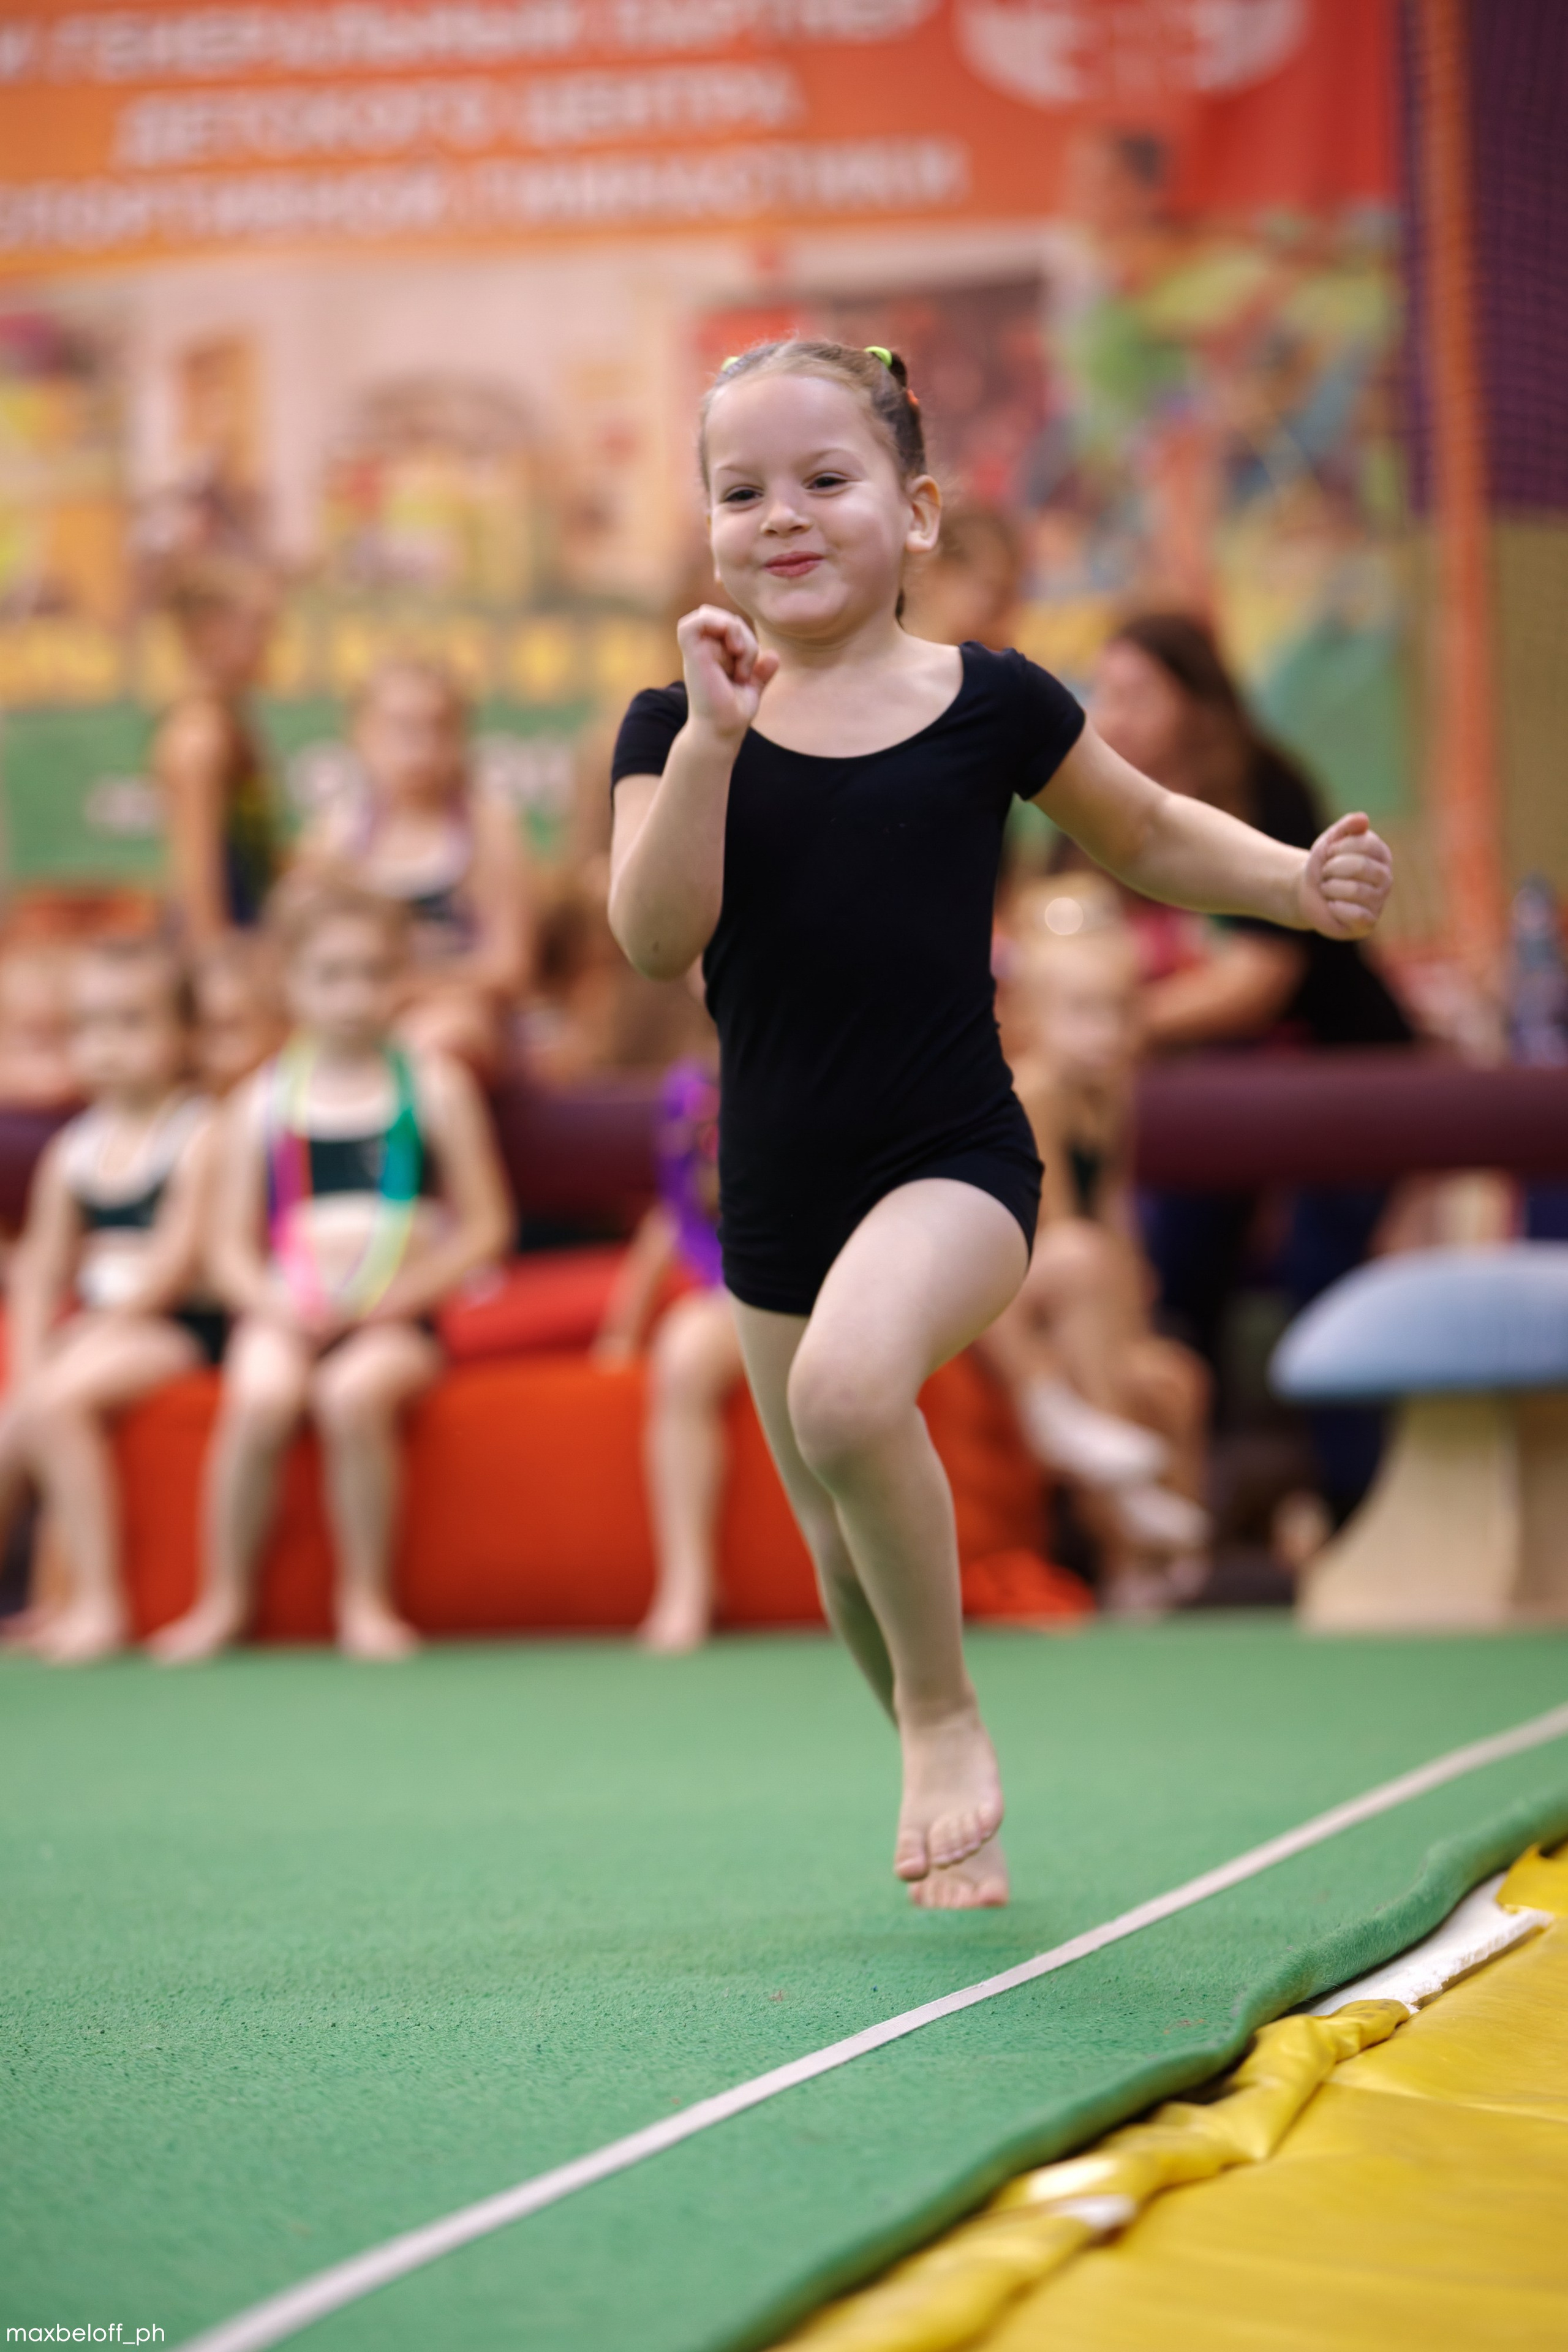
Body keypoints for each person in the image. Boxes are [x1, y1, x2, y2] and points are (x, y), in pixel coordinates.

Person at [607, 338, 1392, 1909]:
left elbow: (1149, 830)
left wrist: (1289, 883)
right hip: (770, 1185)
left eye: (822, 480)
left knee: (845, 1393)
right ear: (704, 530)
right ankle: (923, 1728)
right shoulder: (670, 725)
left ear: (913, 514)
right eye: (739, 489)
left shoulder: (988, 701)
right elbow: (649, 934)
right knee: (838, 1546)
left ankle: (948, 1715)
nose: (782, 515)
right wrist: (708, 739)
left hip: (951, 1158)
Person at [1089, 614, 1415, 1511]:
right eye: (1102, 694)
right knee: (1176, 1263)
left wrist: (1124, 1025)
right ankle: (1194, 1502)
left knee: (1326, 1272)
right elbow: (1057, 927)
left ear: (1197, 707)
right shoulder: (1091, 797)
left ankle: (1356, 1499)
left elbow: (1261, 976)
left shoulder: (1264, 786)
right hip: (1205, 1099)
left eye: (1134, 695)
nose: (1110, 716)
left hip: (1338, 1082)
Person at [151, 881, 512, 1664]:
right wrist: (271, 1306)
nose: (355, 996)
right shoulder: (262, 1099)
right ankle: (224, 1596)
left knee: (351, 1397)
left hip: (394, 1318)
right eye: (331, 976)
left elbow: (488, 1227)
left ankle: (366, 1597)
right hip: (290, 1309)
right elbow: (226, 1246)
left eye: (375, 974)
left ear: (404, 977)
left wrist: (401, 1296)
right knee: (263, 1397)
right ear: (289, 982)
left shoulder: (436, 1087)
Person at [982, 878, 1210, 1613]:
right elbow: (1049, 1224)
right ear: (1026, 1017)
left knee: (1173, 1378)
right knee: (1081, 1258)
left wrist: (1135, 1318)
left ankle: (1163, 1564)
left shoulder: (1112, 1094)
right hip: (1009, 1281)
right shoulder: (1035, 1087)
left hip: (1072, 1278)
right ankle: (1118, 1511)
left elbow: (1114, 1207)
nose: (1105, 1034)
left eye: (1118, 1012)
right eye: (1081, 1014)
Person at [0, 938, 220, 1662]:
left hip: (179, 1323)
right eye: (91, 1027)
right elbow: (40, 1268)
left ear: (184, 1036)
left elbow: (177, 1261)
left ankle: (101, 1602)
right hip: (101, 1329)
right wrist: (32, 1358)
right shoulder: (75, 1149)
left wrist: (93, 1337)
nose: (110, 1046)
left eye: (133, 1023)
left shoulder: (198, 1133)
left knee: (58, 1403)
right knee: (19, 1416)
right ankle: (37, 1597)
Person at [298, 657, 532, 1076]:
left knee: (432, 1042)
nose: (421, 748)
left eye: (439, 729)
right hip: (359, 1013)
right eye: (401, 729)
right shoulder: (332, 840)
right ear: (361, 733)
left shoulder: (488, 828)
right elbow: (302, 956)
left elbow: (510, 967)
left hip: (459, 1022)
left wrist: (413, 990)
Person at [594, 1057, 740, 1652]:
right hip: (739, 1285)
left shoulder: (833, 1056)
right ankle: (688, 1582)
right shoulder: (692, 1089)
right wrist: (621, 1329)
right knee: (682, 1351)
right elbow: (675, 1219)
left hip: (832, 1268)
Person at [154, 558, 281, 944]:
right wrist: (215, 962)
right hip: (220, 941)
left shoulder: (232, 720)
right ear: (211, 630)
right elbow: (198, 876)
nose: (272, 642)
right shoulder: (199, 737)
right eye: (259, 627)